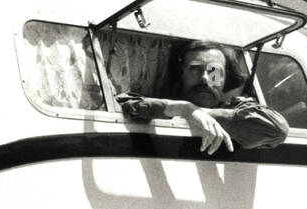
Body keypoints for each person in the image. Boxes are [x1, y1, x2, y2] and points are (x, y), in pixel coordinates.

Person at [116, 40, 289, 154]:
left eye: (214, 71)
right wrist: (185, 109)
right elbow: (126, 103)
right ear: (181, 74)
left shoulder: (237, 109)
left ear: (225, 78)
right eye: (195, 69)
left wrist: (203, 114)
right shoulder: (165, 102)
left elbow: (277, 129)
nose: (205, 78)